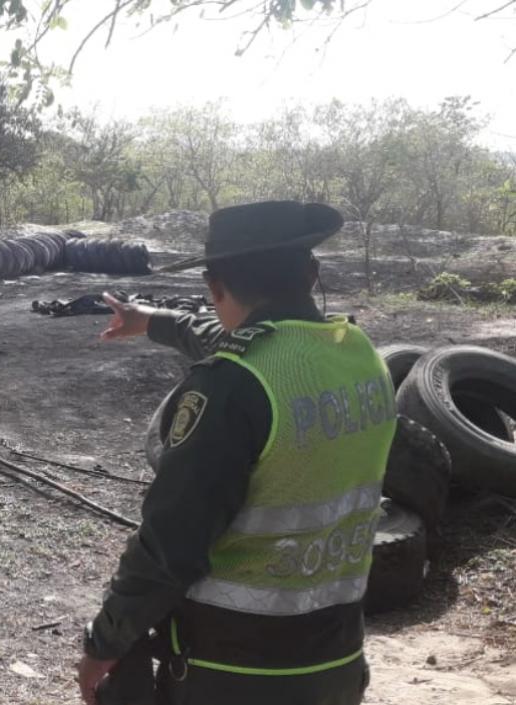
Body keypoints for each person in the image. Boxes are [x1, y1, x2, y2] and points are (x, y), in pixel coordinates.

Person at [75, 201, 398, 705]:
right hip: (337, 659)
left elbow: (168, 547)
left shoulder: (232, 387)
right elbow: (243, 336)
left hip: (233, 672)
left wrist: (104, 644)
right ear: (311, 275)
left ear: (215, 287)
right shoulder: (360, 356)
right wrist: (153, 321)